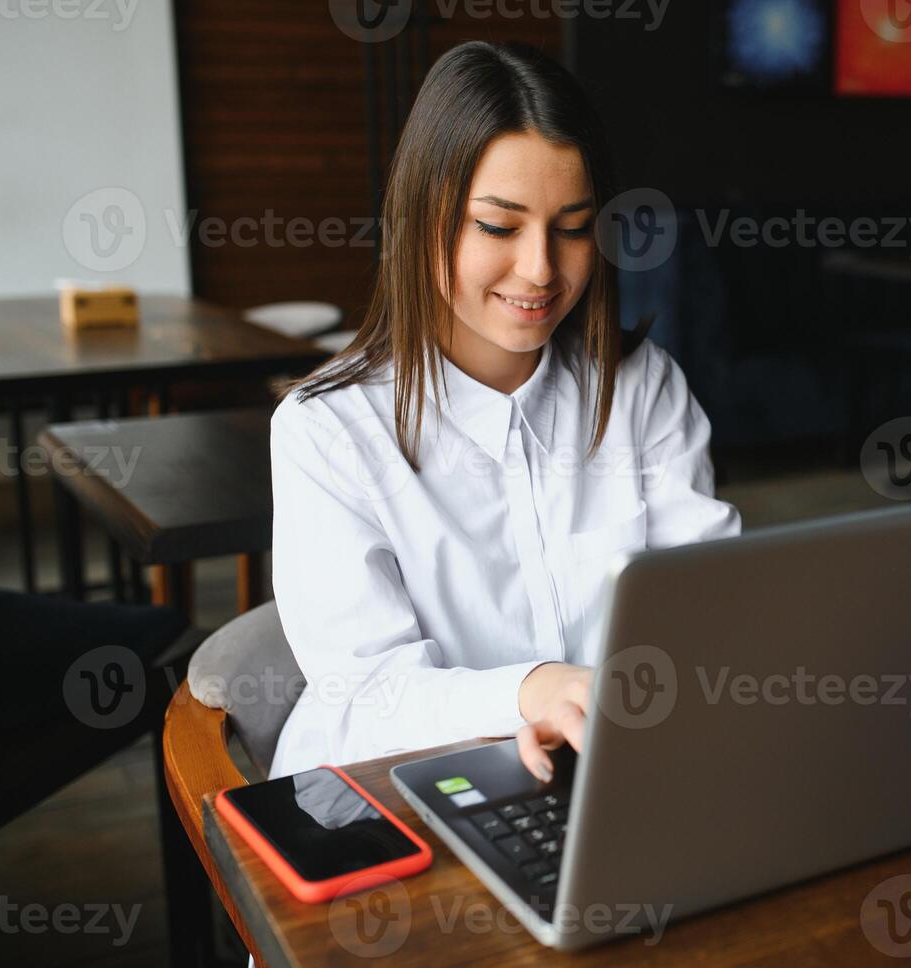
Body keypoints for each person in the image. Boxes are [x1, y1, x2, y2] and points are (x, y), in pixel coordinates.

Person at [266, 41, 739, 785]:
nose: (541, 270)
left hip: (610, 773)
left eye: (572, 226)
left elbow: (710, 610)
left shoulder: (640, 386)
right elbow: (362, 696)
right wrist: (532, 690)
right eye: (497, 226)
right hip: (393, 791)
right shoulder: (326, 431)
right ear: (424, 221)